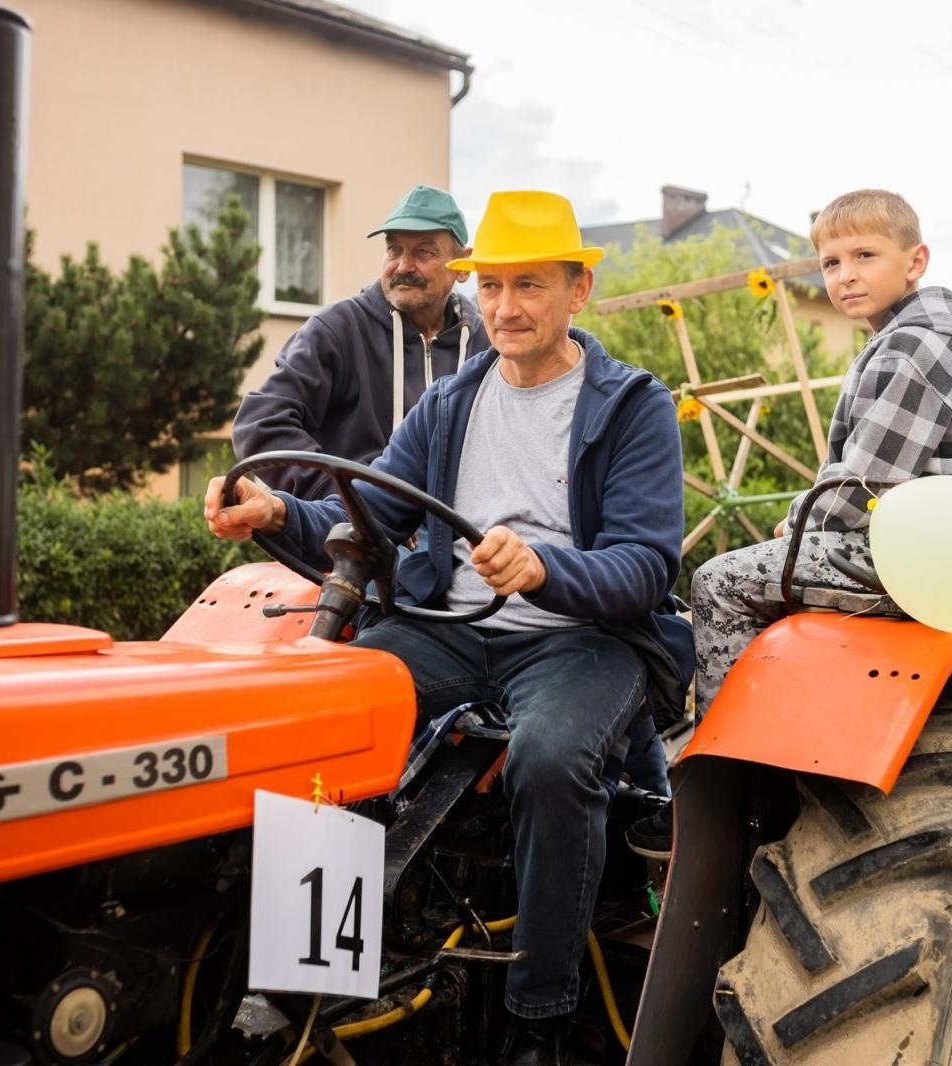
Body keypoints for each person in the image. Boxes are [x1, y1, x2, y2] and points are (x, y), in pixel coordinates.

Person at [205, 190, 692, 1066]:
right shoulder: (450, 404)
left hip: (582, 637)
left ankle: (540, 1019)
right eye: (493, 285)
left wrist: (549, 568)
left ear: (577, 292)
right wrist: (276, 507)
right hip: (453, 627)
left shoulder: (633, 408)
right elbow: (369, 521)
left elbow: (647, 568)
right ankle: (296, 980)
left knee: (551, 758)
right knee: (320, 707)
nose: (505, 307)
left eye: (530, 286)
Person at [626, 188, 952, 859]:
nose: (845, 275)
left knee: (719, 582)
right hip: (928, 546)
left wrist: (797, 528)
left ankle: (723, 784)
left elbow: (867, 481)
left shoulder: (916, 349)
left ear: (915, 260)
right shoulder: (918, 339)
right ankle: (774, 745)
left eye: (865, 255)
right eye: (830, 263)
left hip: (928, 559)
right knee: (764, 572)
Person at [231, 184, 492, 498]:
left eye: (423, 252)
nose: (403, 266)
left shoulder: (487, 344)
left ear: (462, 265)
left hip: (458, 534)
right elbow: (258, 424)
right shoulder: (337, 330)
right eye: (394, 249)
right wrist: (347, 498)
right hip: (362, 537)